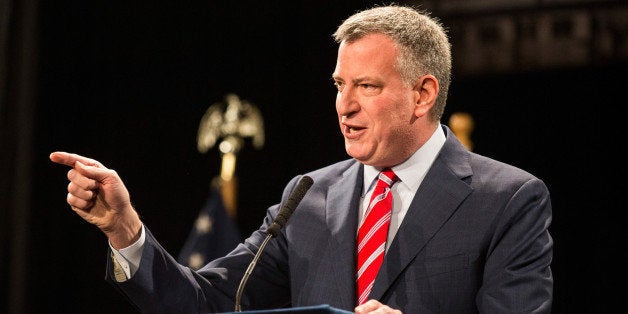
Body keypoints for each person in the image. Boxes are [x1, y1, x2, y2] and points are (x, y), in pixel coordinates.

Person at [50, 5, 553, 314]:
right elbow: (208, 304)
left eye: (366, 87)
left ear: (422, 95)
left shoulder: (506, 199)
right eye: (339, 85)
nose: (344, 105)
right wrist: (125, 230)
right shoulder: (309, 196)